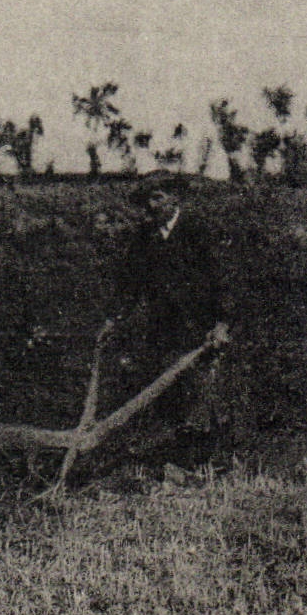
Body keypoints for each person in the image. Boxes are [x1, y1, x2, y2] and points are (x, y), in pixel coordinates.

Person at [109, 172, 231, 464]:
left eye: (157, 198)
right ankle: (179, 461)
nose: (151, 206)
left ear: (175, 198)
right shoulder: (144, 237)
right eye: (146, 200)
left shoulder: (199, 231)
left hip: (201, 328)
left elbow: (223, 281)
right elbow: (130, 284)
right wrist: (115, 319)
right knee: (171, 396)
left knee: (204, 394)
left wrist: (222, 323)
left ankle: (214, 462)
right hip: (164, 329)